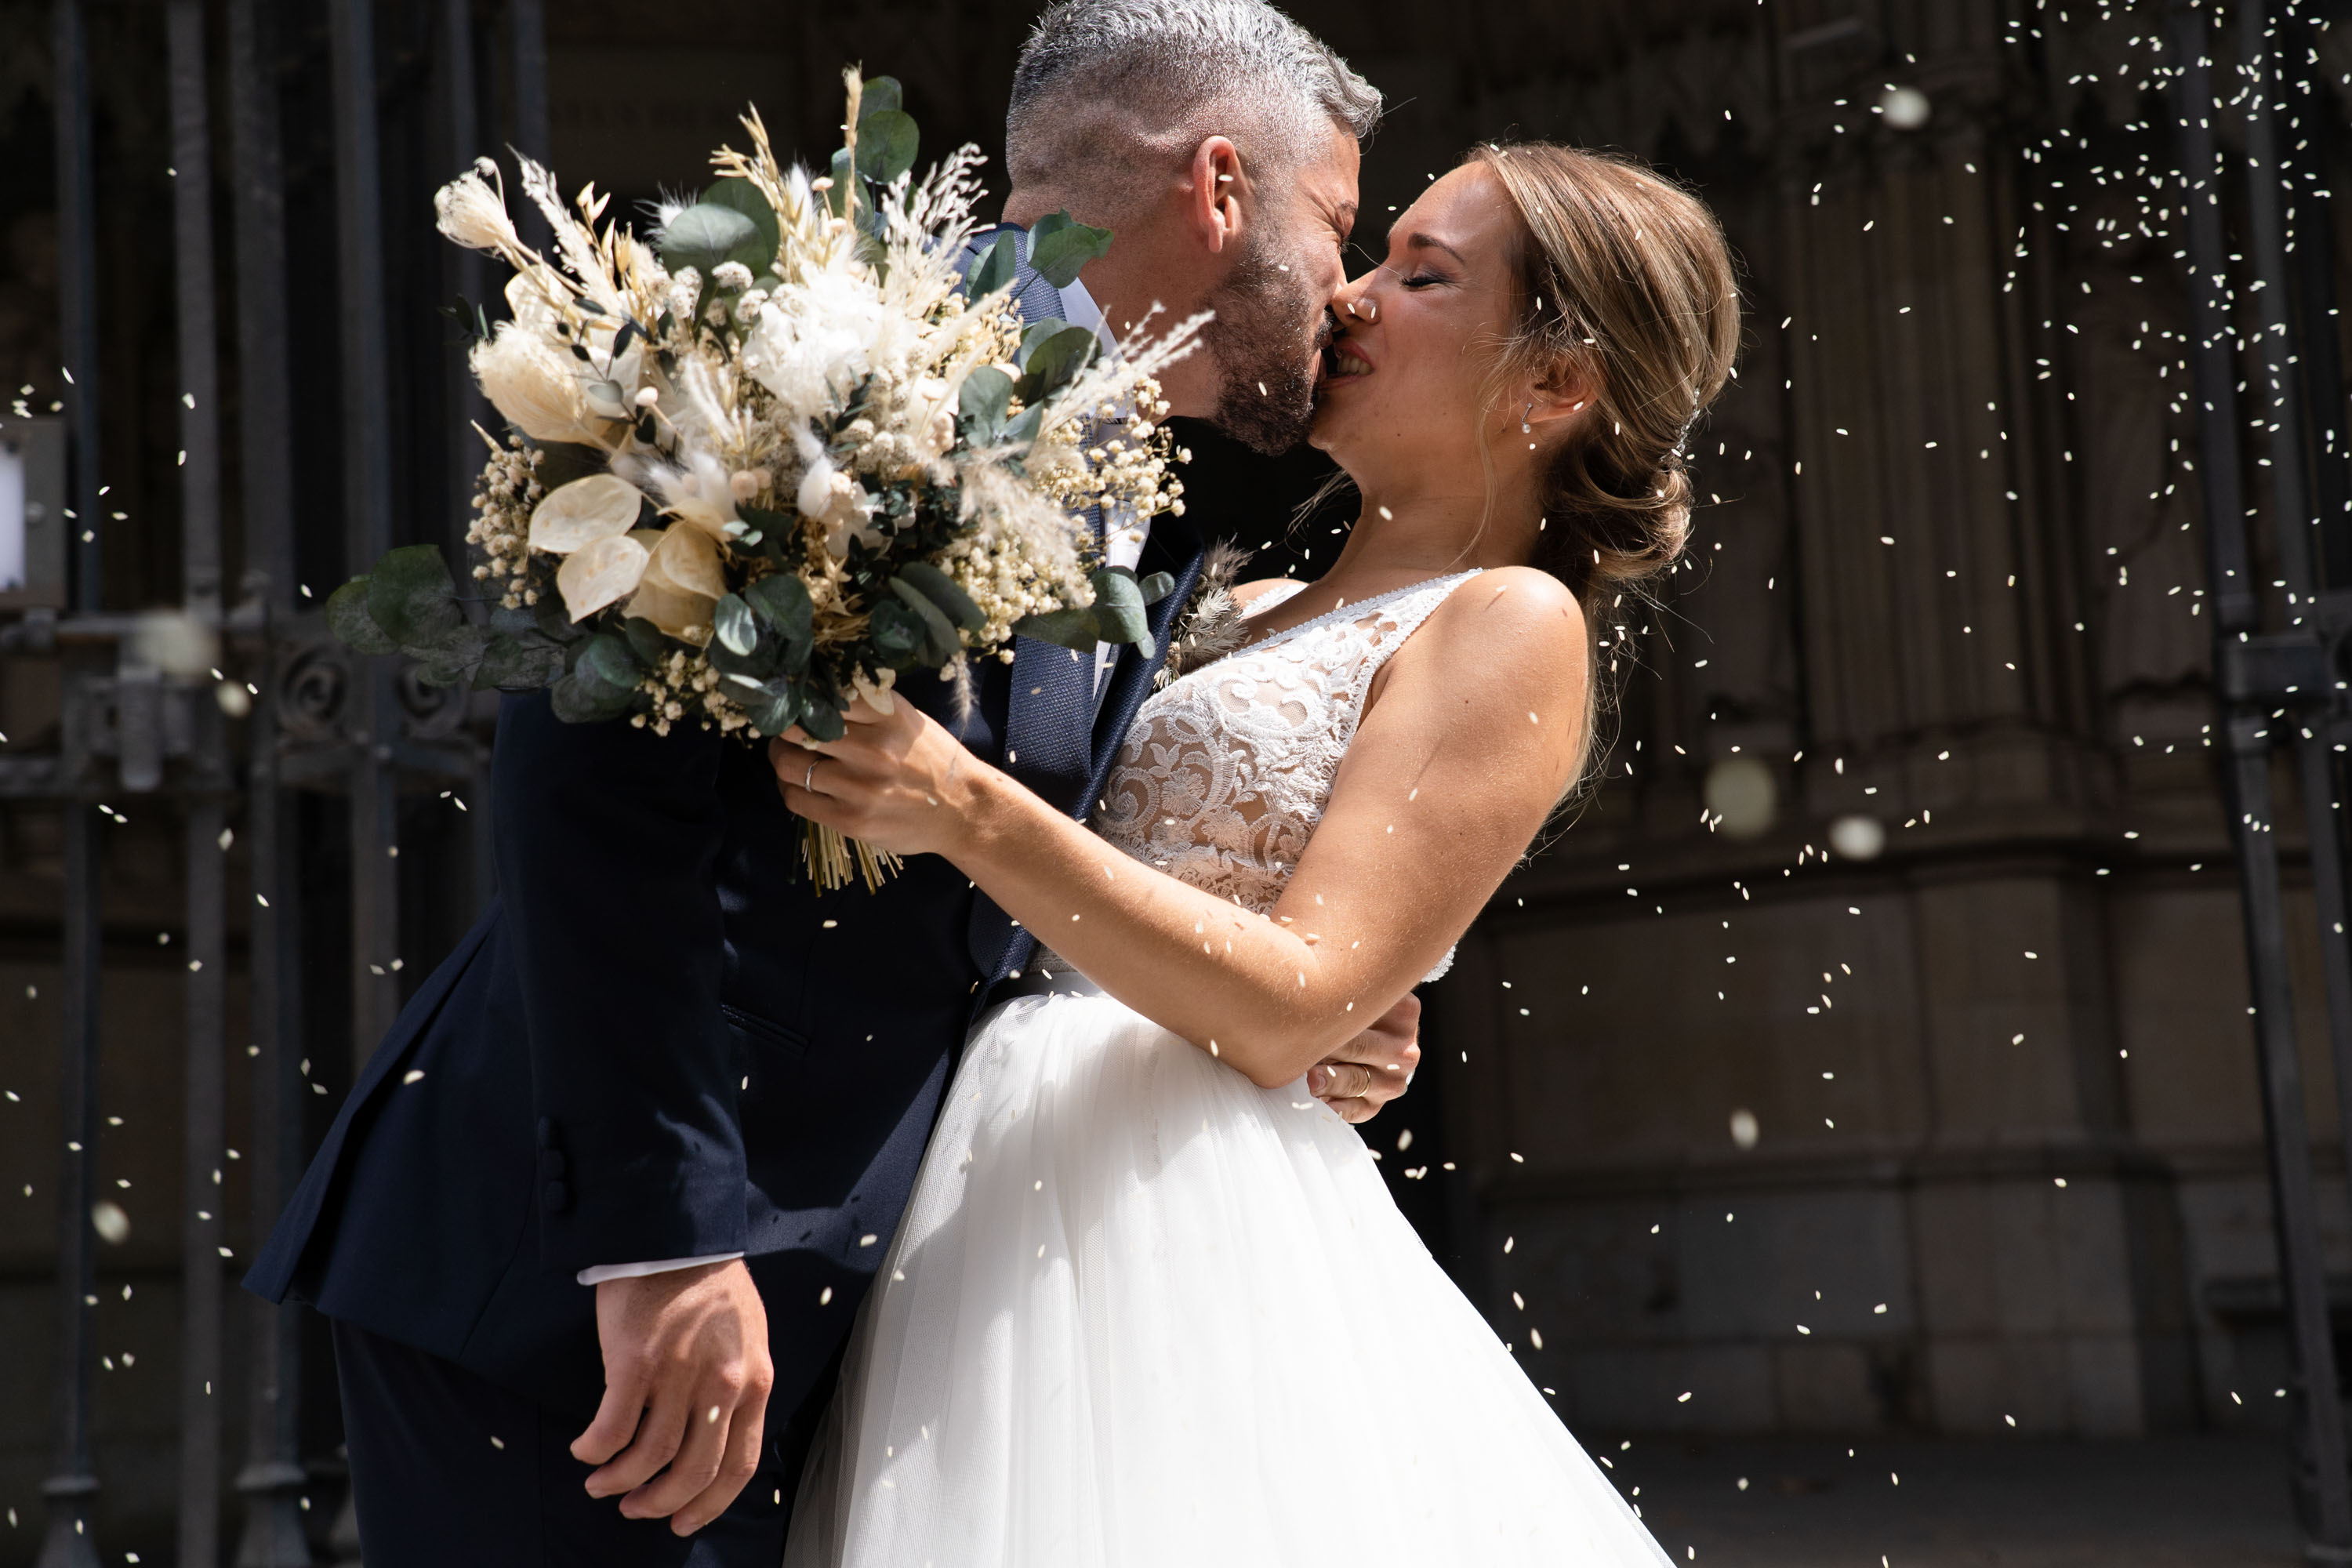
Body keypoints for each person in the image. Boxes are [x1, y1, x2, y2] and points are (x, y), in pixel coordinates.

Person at [241, 3, 1414, 1563]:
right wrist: (659, 1243)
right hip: (589, 1308)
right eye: (1335, 221)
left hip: (835, 1309)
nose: (1347, 281)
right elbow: (590, 774)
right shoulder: (825, 343)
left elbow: (1005, 864)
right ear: (1216, 188)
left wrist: (1290, 997)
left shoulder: (1149, 467)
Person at [770, 136, 1740, 1566]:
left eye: (1423, 276)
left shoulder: (1511, 623)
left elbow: (1292, 1000)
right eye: (1374, 252)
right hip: (978, 1157)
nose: (1350, 297)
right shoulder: (1226, 593)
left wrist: (965, 809)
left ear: (1552, 384)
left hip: (1172, 1215)